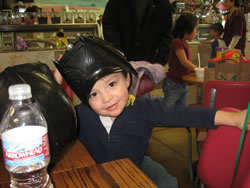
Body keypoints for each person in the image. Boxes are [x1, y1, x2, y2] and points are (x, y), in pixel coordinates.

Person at [53, 35, 250, 188]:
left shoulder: (143, 109)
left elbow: (184, 114)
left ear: (127, 79)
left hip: (138, 164)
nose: (106, 98)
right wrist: (54, 86)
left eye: (112, 84)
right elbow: (48, 124)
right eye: (93, 94)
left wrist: (233, 118)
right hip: (98, 173)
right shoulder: (78, 115)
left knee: (168, 183)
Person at [102, 0, 173, 66]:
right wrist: (119, 59)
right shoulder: (116, 2)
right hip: (121, 62)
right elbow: (110, 32)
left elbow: (166, 36)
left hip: (149, 65)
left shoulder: (163, 4)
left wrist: (158, 64)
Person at [162, 12, 198, 107]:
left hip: (182, 83)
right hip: (173, 83)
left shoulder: (183, 43)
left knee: (182, 110)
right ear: (187, 30)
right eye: (195, 29)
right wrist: (197, 69)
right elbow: (184, 62)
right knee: (168, 109)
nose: (196, 32)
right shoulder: (177, 42)